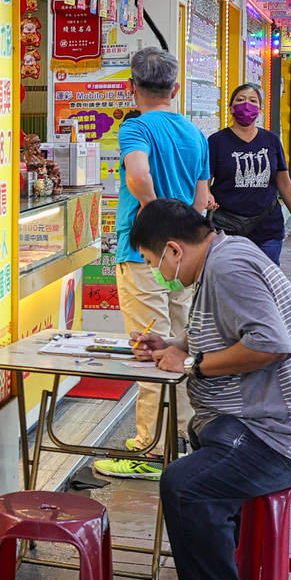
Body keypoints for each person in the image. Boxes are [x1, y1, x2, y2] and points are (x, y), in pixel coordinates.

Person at [127, 200, 291, 580]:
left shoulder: (227, 267)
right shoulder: (223, 258)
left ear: (174, 250)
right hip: (271, 424)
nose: (158, 273)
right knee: (202, 455)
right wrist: (173, 344)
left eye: (153, 263)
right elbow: (226, 329)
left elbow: (269, 345)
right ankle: (221, 565)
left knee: (184, 483)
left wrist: (191, 363)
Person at [94, 47, 211, 478]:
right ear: (175, 88)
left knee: (149, 349)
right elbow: (200, 201)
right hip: (184, 261)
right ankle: (182, 440)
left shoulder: (136, 127)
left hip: (142, 255)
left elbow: (138, 175)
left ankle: (149, 448)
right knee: (180, 344)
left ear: (133, 88)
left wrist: (152, 212)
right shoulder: (195, 133)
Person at [207, 83, 291, 264]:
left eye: (253, 101)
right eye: (240, 100)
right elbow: (206, 181)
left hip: (267, 227)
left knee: (266, 283)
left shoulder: (271, 140)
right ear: (230, 108)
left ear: (260, 109)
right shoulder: (216, 141)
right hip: (228, 228)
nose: (246, 105)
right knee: (231, 280)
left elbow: (284, 182)